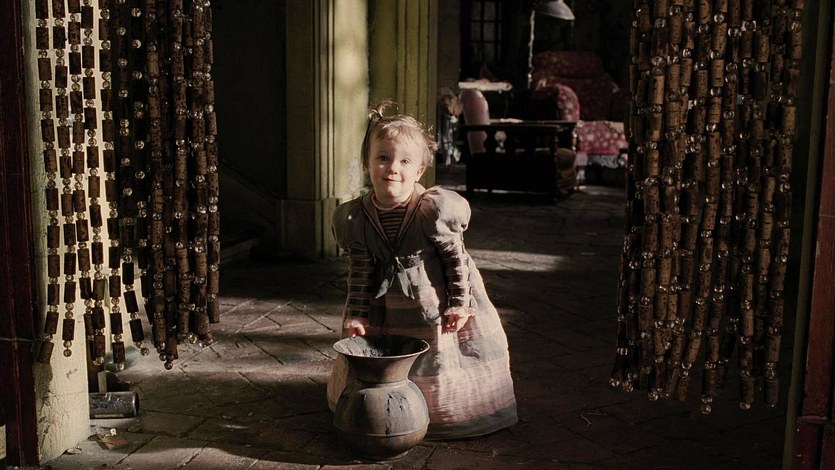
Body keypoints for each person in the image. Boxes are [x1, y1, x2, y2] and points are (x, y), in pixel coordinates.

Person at [327, 101, 518, 439]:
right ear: (367, 163)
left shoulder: (433, 209)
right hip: (384, 305)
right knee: (388, 353)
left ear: (419, 171)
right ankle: (385, 410)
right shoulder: (356, 216)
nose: (392, 168)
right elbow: (360, 268)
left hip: (431, 300)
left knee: (434, 355)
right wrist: (357, 313)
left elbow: (456, 261)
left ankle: (439, 413)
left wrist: (459, 304)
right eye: (382, 158)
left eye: (404, 161)